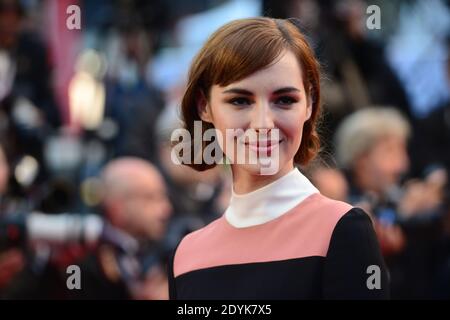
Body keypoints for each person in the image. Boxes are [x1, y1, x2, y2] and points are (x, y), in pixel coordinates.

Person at [167, 17, 389, 299]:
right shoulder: (186, 255)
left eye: (284, 100)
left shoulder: (342, 231)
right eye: (240, 101)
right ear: (204, 107)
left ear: (309, 104)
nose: (263, 123)